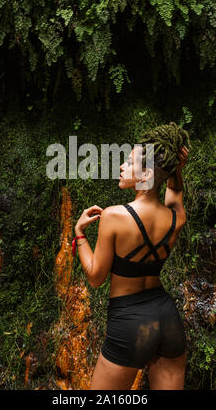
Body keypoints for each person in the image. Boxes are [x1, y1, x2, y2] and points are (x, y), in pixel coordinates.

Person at [74, 121, 190, 390]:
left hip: (130, 322)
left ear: (147, 174)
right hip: (167, 318)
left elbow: (95, 277)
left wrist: (79, 234)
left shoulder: (115, 216)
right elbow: (175, 191)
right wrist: (176, 169)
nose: (122, 166)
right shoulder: (176, 218)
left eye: (128, 161)